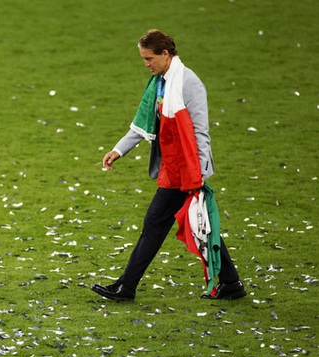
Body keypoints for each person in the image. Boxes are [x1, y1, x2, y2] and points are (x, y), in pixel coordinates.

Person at [91, 29, 246, 302]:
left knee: (155, 224)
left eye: (149, 58)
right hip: (172, 167)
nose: (146, 64)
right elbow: (146, 123)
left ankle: (126, 287)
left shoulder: (189, 83)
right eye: (143, 58)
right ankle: (231, 284)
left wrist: (196, 174)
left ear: (165, 54)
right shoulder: (160, 82)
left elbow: (200, 132)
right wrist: (118, 150)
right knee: (202, 226)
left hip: (184, 170)